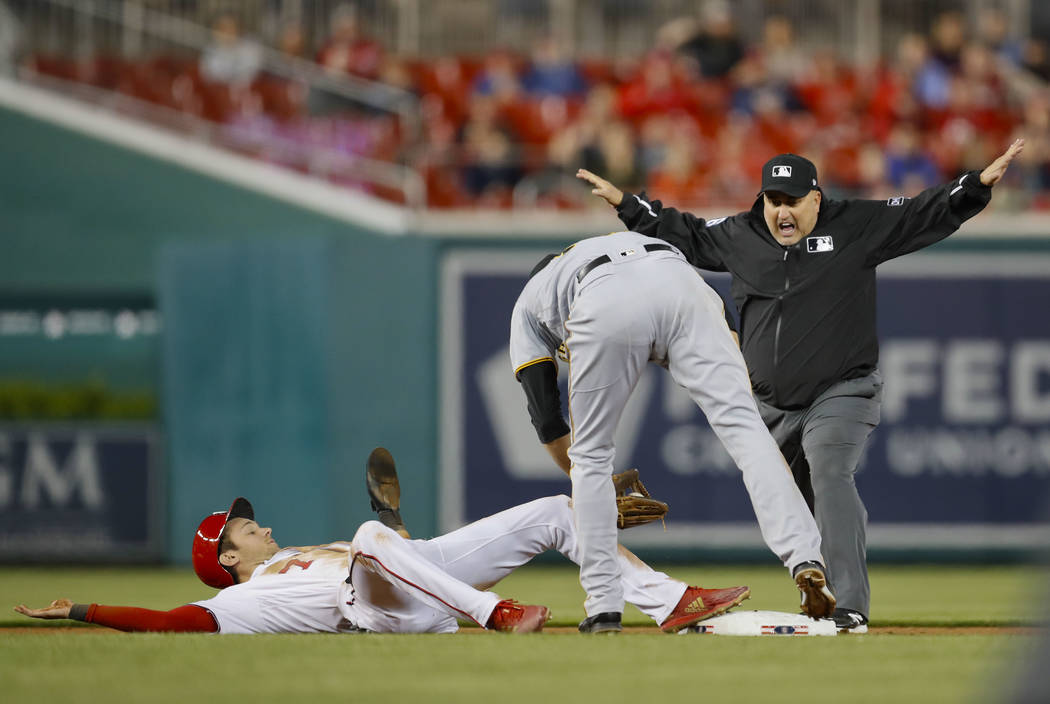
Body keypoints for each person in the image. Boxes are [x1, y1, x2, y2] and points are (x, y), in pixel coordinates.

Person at [576, 138, 1026, 633]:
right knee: (796, 501)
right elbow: (682, 231)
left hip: (842, 390)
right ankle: (818, 584)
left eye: (792, 200)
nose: (781, 210)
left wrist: (974, 187)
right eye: (773, 200)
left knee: (831, 471)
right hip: (769, 405)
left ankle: (850, 607)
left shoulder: (854, 225)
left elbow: (921, 212)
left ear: (816, 198)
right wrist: (627, 206)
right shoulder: (740, 234)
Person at [15, 448, 752, 635]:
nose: (258, 523)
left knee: (555, 510)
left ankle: (671, 602)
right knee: (370, 533)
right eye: (244, 528)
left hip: (410, 572)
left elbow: (387, 553)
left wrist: (392, 543)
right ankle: (493, 615)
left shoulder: (293, 549)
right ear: (228, 561)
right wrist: (85, 611)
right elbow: (170, 622)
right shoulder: (244, 603)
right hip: (377, 611)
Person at [510, 231, 836, 633]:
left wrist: (593, 484)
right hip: (680, 280)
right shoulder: (602, 248)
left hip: (601, 293)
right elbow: (727, 330)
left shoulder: (529, 303)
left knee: (590, 456)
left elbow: (547, 419)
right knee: (747, 430)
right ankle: (805, 558)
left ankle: (604, 608)